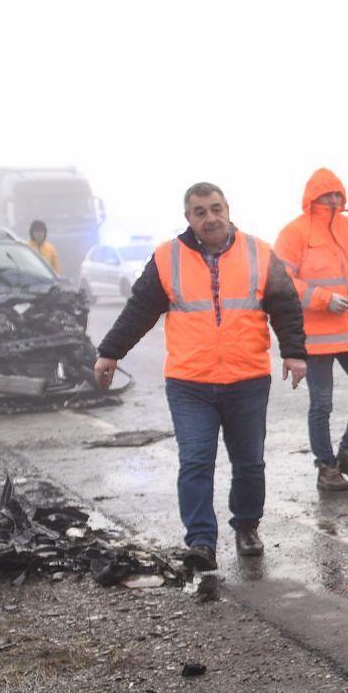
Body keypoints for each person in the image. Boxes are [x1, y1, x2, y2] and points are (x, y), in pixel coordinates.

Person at [95, 182, 306, 568]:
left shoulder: (259, 252)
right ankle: (201, 542)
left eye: (215, 208)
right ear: (188, 218)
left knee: (249, 463)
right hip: (190, 382)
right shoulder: (167, 257)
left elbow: (286, 305)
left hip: (247, 379)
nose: (210, 218)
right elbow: (139, 310)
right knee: (195, 461)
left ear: (227, 209)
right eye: (200, 212)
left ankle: (246, 527)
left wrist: (294, 353)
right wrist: (110, 353)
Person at [275, 168, 348, 493]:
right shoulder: (295, 233)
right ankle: (326, 467)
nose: (332, 199)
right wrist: (322, 299)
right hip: (315, 338)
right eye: (326, 194)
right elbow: (281, 280)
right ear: (312, 197)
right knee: (322, 404)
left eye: (336, 194)